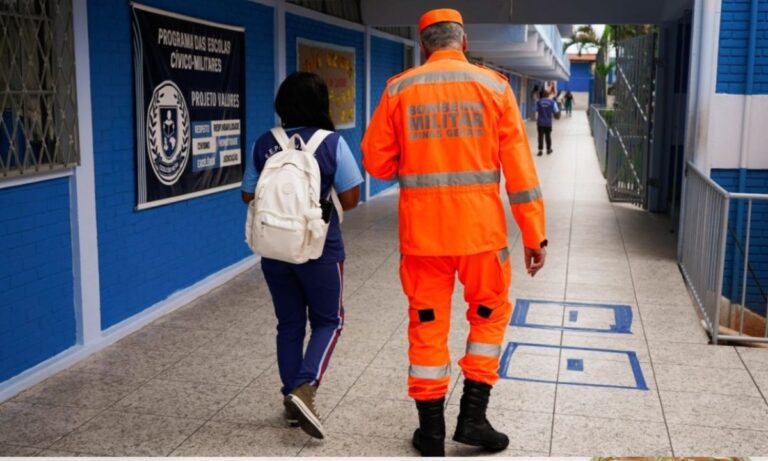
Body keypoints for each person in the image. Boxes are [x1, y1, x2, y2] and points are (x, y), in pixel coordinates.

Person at [362, 8, 548, 457]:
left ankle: (429, 434)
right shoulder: (495, 89)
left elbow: (376, 162)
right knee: (486, 320)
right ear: (463, 43)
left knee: (426, 326)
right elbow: (521, 175)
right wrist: (534, 235)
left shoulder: (399, 89)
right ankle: (473, 418)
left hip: (423, 239)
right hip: (482, 238)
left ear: (423, 47)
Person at [241, 72, 364, 440]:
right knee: (329, 320)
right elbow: (352, 199)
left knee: (289, 323)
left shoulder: (264, 143)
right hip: (321, 248)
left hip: (274, 251)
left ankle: (290, 400)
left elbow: (249, 195)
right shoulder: (333, 143)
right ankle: (305, 388)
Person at [535, 89, 558, 156]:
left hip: (540, 122)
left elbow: (536, 113)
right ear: (548, 95)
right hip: (548, 123)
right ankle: (548, 150)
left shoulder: (538, 102)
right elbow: (556, 111)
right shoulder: (552, 102)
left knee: (540, 136)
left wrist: (537, 120)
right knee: (548, 136)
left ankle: (540, 150)